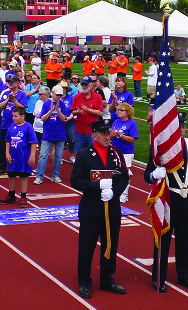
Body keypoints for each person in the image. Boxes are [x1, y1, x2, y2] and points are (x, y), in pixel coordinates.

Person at [144, 111, 188, 292]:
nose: (181, 130)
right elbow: (147, 174)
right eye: (177, 127)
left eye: (183, 127)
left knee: (184, 240)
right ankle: (159, 276)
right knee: (163, 240)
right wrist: (153, 175)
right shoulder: (161, 150)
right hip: (169, 200)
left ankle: (183, 274)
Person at [71, 119, 130, 299]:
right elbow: (75, 180)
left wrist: (115, 192)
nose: (107, 137)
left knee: (110, 246)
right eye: (103, 134)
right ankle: (84, 281)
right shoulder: (84, 155)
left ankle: (107, 279)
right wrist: (96, 186)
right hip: (91, 209)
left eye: (108, 133)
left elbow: (124, 178)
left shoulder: (117, 153)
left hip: (111, 208)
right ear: (94, 135)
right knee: (87, 247)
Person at [0, 107, 38, 208]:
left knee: (23, 175)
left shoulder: (28, 127)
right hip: (13, 155)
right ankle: (11, 194)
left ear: (22, 116)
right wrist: (7, 153)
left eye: (16, 116)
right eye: (13, 116)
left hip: (23, 156)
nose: (14, 118)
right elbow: (7, 140)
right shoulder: (11, 126)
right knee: (11, 174)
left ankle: (23, 195)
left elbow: (33, 142)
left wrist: (32, 155)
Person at [35, 84, 68, 185]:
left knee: (58, 156)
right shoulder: (46, 103)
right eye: (57, 94)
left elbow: (64, 119)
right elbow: (43, 118)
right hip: (48, 133)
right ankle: (39, 176)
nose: (58, 97)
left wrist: (58, 110)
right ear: (52, 93)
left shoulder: (62, 104)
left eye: (60, 95)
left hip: (60, 133)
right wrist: (50, 110)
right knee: (43, 156)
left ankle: (56, 175)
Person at [0, 74, 28, 174]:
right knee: (3, 146)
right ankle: (2, 164)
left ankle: (18, 164)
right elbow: (0, 106)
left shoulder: (21, 94)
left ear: (18, 83)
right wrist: (8, 99)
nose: (10, 84)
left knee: (17, 145)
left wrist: (14, 100)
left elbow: (23, 108)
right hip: (5, 123)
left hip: (17, 125)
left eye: (12, 82)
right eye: (9, 82)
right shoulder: (5, 93)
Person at [110, 103, 138, 203]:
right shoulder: (116, 122)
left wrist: (120, 135)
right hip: (115, 150)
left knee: (125, 173)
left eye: (122, 110)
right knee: (114, 172)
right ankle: (115, 191)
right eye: (118, 110)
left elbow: (132, 139)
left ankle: (124, 194)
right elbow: (110, 136)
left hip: (126, 151)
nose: (119, 111)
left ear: (128, 112)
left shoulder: (132, 124)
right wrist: (112, 135)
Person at [72, 76, 104, 154]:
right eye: (82, 84)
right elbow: (72, 111)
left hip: (92, 131)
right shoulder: (77, 96)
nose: (83, 86)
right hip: (79, 130)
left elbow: (100, 112)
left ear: (90, 85)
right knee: (79, 153)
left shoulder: (98, 97)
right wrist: (77, 112)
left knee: (92, 152)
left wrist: (88, 110)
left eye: (85, 84)